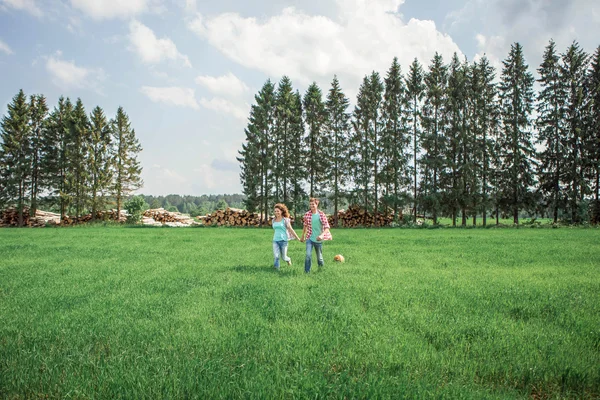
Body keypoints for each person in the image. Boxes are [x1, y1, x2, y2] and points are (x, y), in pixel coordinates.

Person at [301, 197, 332, 273]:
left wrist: (321, 235)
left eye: (313, 204)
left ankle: (321, 270)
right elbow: (305, 226)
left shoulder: (321, 214)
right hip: (309, 238)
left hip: (318, 239)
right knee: (308, 255)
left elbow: (327, 227)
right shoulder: (307, 214)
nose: (311, 206)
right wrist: (302, 236)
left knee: (319, 258)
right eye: (310, 204)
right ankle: (307, 272)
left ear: (316, 204)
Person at [272, 203, 300, 270]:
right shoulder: (273, 220)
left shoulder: (285, 220)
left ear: (281, 211)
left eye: (278, 211)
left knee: (284, 257)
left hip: (284, 241)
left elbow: (290, 229)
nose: (276, 212)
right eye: (275, 211)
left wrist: (298, 238)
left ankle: (289, 260)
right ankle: (276, 269)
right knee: (276, 256)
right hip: (275, 240)